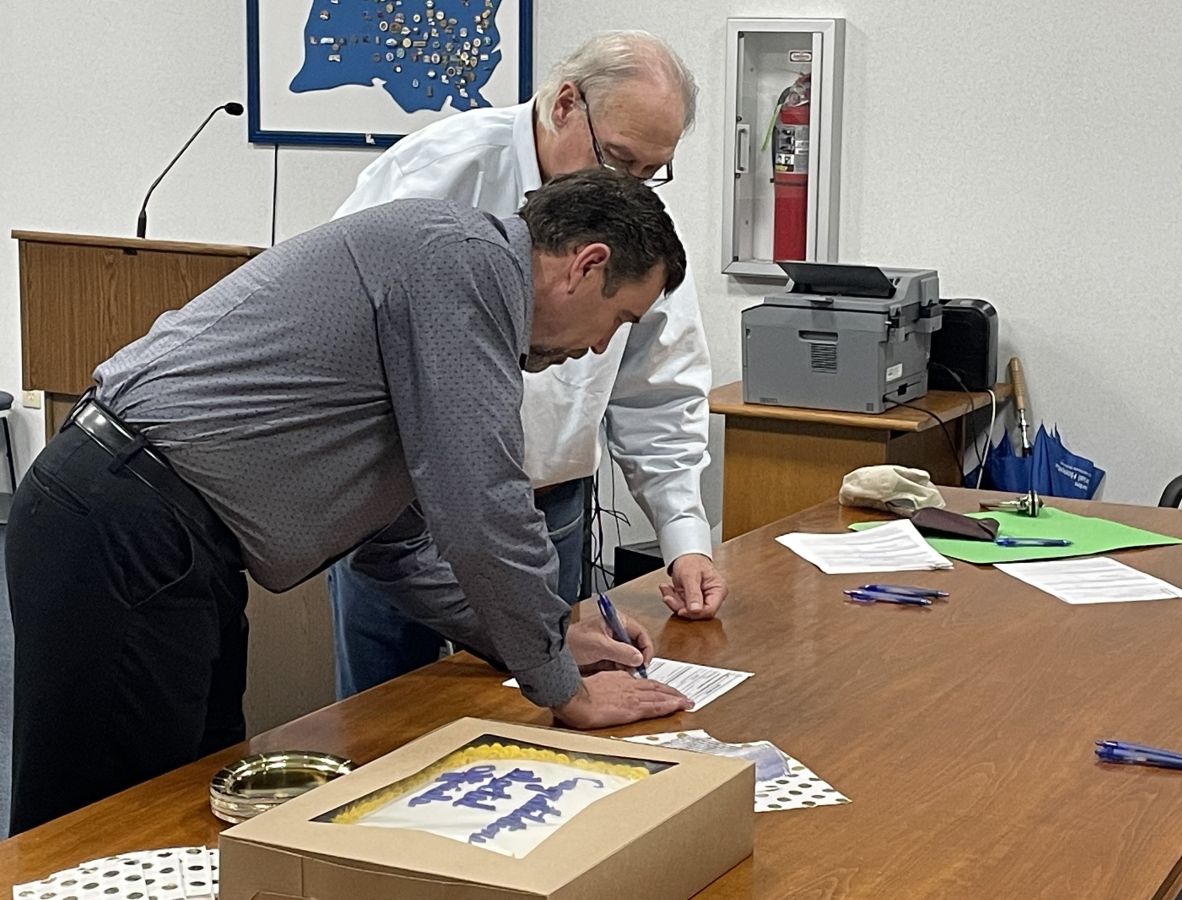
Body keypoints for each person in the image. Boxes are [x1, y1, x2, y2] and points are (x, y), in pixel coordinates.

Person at [3, 169, 693, 834]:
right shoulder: (465, 266)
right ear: (585, 265)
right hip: (126, 520)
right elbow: (483, 507)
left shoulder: (450, 275)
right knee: (101, 824)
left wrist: (550, 640)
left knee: (187, 798)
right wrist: (561, 687)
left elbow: (403, 546)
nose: (602, 345)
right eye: (618, 317)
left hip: (164, 538)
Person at [328, 30, 729, 698]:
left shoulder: (633, 220)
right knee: (390, 716)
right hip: (403, 517)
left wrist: (683, 532)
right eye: (619, 159)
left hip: (547, 505)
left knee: (538, 714)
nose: (629, 187)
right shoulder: (435, 173)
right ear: (565, 104)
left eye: (648, 172)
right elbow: (349, 335)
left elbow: (657, 383)